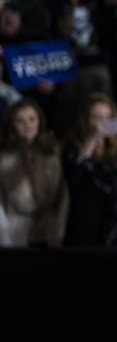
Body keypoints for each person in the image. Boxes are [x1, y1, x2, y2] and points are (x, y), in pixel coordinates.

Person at [62, 93, 117, 247]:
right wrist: (92, 140)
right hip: (85, 225)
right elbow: (73, 177)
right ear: (86, 120)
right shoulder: (72, 147)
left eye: (107, 117)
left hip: (115, 226)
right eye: (96, 117)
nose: (102, 123)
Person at [0, 99, 67, 246]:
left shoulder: (53, 153)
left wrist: (59, 230)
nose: (28, 126)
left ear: (39, 121)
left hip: (50, 229)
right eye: (20, 121)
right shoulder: (4, 157)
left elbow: (62, 196)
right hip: (15, 230)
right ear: (12, 125)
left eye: (32, 119)